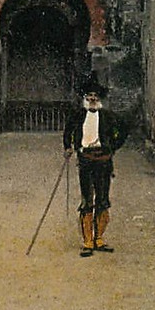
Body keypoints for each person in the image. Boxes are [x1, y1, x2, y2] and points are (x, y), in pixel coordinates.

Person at [63, 73, 127, 257]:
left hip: (104, 161)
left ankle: (99, 239)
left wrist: (113, 147)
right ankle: (87, 241)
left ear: (100, 99)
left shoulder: (107, 116)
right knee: (86, 199)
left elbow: (122, 129)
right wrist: (68, 147)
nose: (92, 99)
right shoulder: (78, 115)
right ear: (85, 98)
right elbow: (67, 132)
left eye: (95, 97)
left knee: (103, 198)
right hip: (85, 160)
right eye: (89, 96)